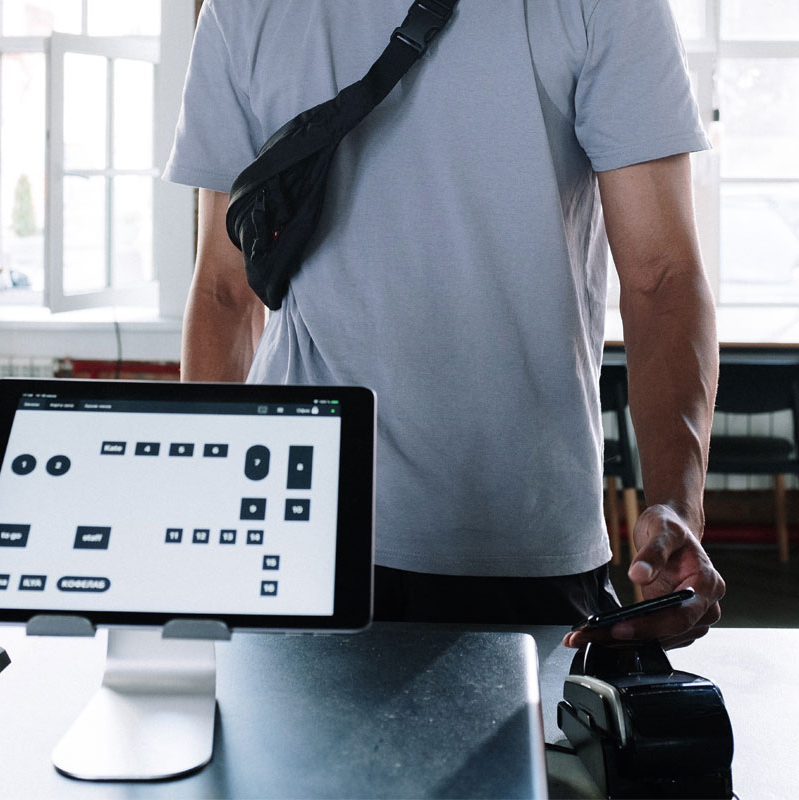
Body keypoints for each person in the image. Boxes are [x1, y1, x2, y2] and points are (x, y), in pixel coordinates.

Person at [164, 0, 725, 648]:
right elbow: (225, 294)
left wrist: (676, 507)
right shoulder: (244, 10)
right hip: (292, 531)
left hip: (522, 540)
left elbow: (662, 278)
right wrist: (199, 519)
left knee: (534, 753)